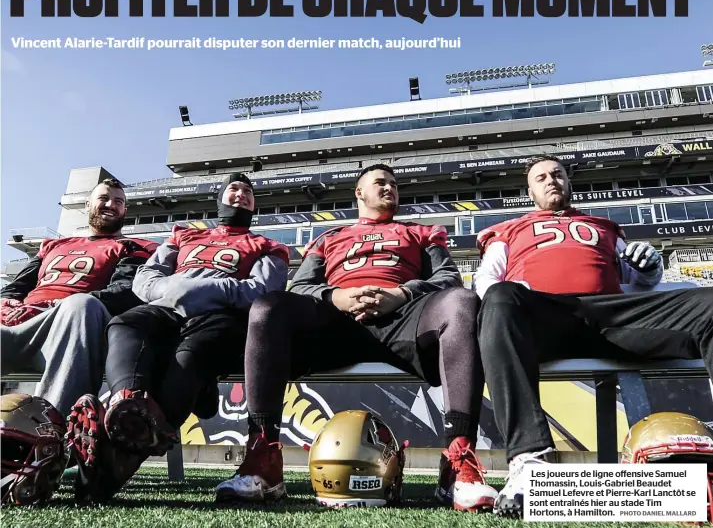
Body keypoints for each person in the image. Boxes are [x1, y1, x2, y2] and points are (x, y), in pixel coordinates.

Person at [214, 164, 499, 513]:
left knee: (463, 301)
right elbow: (301, 286)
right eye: (380, 183)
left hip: (404, 319)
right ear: (359, 193)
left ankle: (457, 461)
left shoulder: (423, 232)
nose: (389, 188)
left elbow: (448, 279)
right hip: (336, 324)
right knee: (268, 307)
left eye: (394, 184)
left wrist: (401, 294)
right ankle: (264, 455)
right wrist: (337, 297)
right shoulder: (328, 238)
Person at [474, 155, 713, 518]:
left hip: (611, 319)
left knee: (709, 302)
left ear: (569, 183)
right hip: (545, 319)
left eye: (557, 174)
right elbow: (486, 282)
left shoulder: (603, 227)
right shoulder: (508, 230)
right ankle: (528, 460)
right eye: (541, 177)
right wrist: (519, 296)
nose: (551, 180)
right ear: (529, 191)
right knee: (500, 297)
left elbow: (638, 282)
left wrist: (650, 269)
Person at [65, 172, 289, 502]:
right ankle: (129, 403)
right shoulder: (184, 235)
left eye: (247, 192)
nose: (240, 195)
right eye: (233, 189)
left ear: (254, 204)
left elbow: (262, 292)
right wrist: (171, 290)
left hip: (221, 317)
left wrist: (200, 289)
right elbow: (145, 281)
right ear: (220, 199)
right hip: (167, 309)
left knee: (191, 355)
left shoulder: (269, 246)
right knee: (126, 324)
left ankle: (112, 463)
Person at [1, 178, 157, 416]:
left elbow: (123, 293)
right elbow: (17, 287)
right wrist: (7, 302)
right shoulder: (54, 245)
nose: (111, 205)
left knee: (81, 304)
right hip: (26, 321)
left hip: (73, 324)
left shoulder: (133, 246)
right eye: (104, 198)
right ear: (88, 205)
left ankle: (57, 428)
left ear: (125, 210)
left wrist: (56, 305)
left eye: (118, 201)